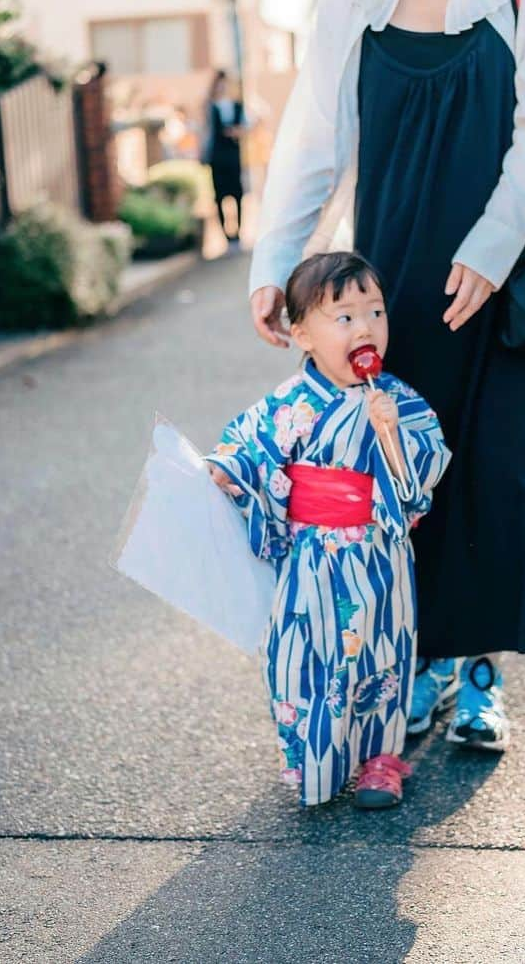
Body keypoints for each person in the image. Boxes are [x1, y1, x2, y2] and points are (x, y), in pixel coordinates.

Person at [248, 0, 525, 752]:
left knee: (504, 471)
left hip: (508, 270)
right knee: (404, 475)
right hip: (389, 283)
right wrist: (279, 265)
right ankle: (424, 655)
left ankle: (480, 674)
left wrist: (487, 249)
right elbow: (315, 140)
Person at [207, 252, 451, 808]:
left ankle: (379, 761)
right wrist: (229, 468)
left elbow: (422, 475)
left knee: (379, 658)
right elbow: (249, 444)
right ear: (302, 335)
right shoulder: (291, 403)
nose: (365, 328)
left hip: (378, 555)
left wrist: (392, 436)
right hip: (312, 556)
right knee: (303, 658)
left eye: (375, 313)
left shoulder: (401, 402)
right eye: (344, 318)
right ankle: (313, 759)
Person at [203, 71, 247, 252]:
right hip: (217, 157)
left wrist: (237, 132)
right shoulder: (210, 107)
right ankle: (226, 236)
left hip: (233, 155)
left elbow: (246, 126)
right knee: (220, 196)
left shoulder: (237, 106)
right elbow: (207, 132)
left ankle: (238, 233)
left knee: (237, 195)